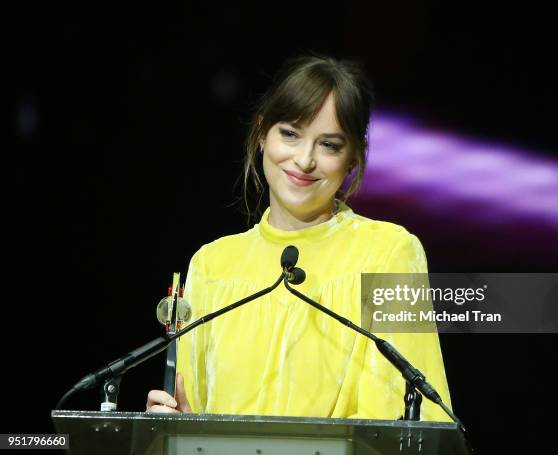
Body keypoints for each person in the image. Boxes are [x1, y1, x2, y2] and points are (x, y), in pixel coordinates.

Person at [146, 54, 452, 421]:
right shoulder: (212, 264)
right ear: (261, 133)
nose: (305, 160)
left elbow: (406, 422)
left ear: (353, 157)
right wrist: (171, 426)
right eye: (290, 134)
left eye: (329, 145)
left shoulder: (387, 253)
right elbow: (195, 414)